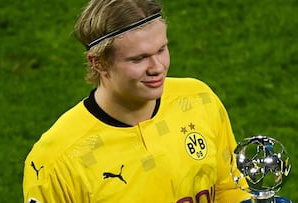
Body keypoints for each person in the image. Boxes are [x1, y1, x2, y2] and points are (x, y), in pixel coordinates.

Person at [23, 0, 249, 202]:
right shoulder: (55, 161)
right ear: (98, 62)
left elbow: (229, 187)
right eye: (138, 59)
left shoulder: (198, 100)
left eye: (162, 49)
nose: (158, 67)